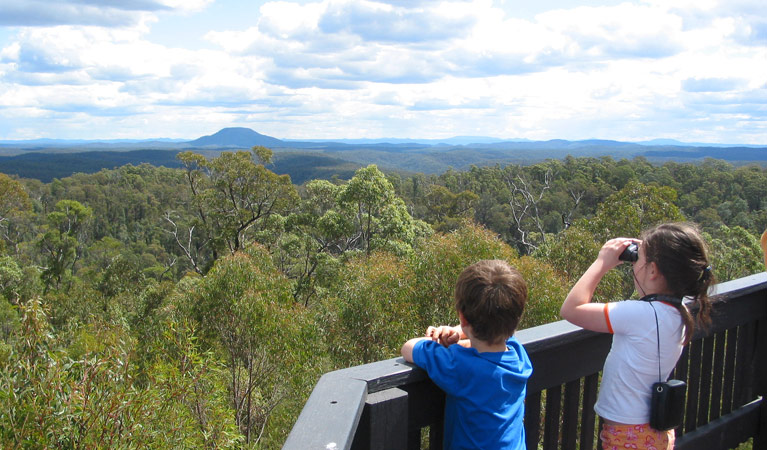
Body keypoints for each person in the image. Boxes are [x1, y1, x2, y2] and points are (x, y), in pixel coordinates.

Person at [560, 223, 714, 450]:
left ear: (653, 271)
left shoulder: (639, 314)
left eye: (638, 259)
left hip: (628, 435)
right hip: (655, 431)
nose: (634, 264)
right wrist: (648, 255)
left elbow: (570, 310)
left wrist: (602, 262)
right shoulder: (680, 313)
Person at [401, 259, 532, 450]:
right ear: (517, 317)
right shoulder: (519, 357)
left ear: (462, 316)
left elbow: (409, 347)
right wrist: (459, 331)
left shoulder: (459, 365)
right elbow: (497, 338)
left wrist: (442, 336)